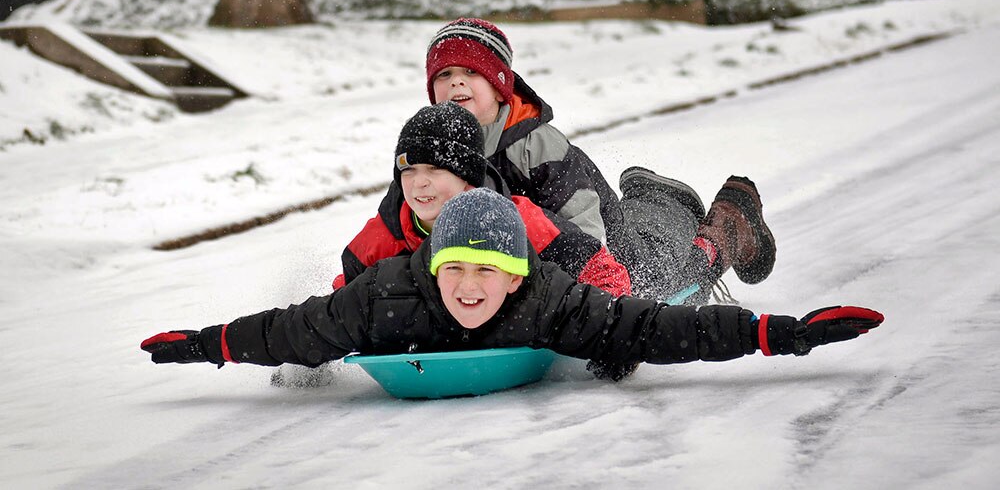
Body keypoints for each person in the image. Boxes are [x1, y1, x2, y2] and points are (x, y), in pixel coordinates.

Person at [142, 189, 883, 378]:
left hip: (625, 249)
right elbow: (297, 331)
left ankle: (695, 215)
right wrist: (210, 344)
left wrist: (775, 333)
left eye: (487, 272)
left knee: (667, 289)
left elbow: (656, 332)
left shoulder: (550, 299)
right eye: (455, 268)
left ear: (517, 275)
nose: (468, 286)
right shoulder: (390, 295)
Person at [421, 17, 776, 305]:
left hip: (603, 251)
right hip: (521, 267)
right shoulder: (430, 152)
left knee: (663, 281)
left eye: (470, 73)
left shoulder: (536, 147)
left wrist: (589, 295)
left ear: (500, 87)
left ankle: (724, 222)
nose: (456, 84)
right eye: (444, 75)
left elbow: (585, 223)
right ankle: (647, 198)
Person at [335, 101, 631, 299]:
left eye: (435, 169)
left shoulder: (518, 221)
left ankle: (660, 196)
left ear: (467, 176)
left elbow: (600, 270)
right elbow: (339, 306)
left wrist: (612, 338)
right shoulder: (384, 236)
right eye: (408, 170)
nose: (418, 182)